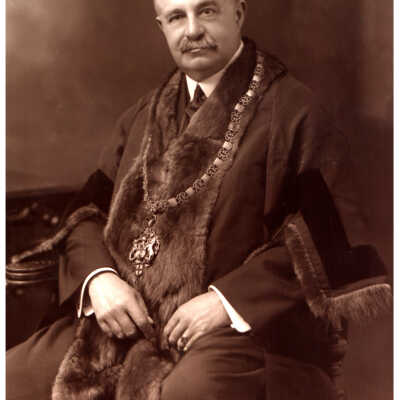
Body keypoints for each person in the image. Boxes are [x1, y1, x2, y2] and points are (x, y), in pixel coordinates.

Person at [6, 0, 391, 399]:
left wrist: (227, 303)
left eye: (206, 11)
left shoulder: (296, 113)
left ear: (238, 14)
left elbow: (325, 237)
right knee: (11, 378)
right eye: (177, 17)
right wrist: (99, 280)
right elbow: (85, 215)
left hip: (245, 333)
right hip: (123, 328)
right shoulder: (143, 115)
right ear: (162, 26)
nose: (191, 30)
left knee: (188, 391)